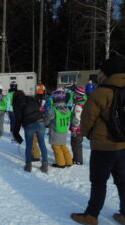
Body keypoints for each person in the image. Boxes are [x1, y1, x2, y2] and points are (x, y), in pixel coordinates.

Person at [71, 55, 125, 225]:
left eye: (102, 71)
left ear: (108, 72)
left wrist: (88, 134)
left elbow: (87, 119)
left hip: (103, 146)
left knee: (99, 182)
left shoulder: (101, 92)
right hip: (123, 145)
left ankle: (91, 216)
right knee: (123, 182)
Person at [13, 90, 48, 173]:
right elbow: (38, 104)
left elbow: (18, 120)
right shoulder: (30, 98)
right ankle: (45, 165)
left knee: (29, 145)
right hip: (41, 121)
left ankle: (28, 166)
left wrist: (16, 133)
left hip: (29, 125)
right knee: (42, 143)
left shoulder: (17, 103)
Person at [45, 89, 73, 168]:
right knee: (63, 146)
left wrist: (46, 124)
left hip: (55, 131)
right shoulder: (66, 108)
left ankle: (60, 163)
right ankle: (69, 161)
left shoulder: (53, 110)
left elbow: (47, 119)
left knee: (56, 147)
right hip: (64, 130)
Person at [69, 86, 87, 165]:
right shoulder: (84, 101)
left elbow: (77, 118)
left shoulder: (78, 105)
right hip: (82, 127)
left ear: (79, 94)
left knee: (75, 144)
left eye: (75, 93)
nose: (74, 94)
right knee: (78, 144)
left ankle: (78, 160)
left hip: (77, 128)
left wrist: (74, 129)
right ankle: (77, 158)